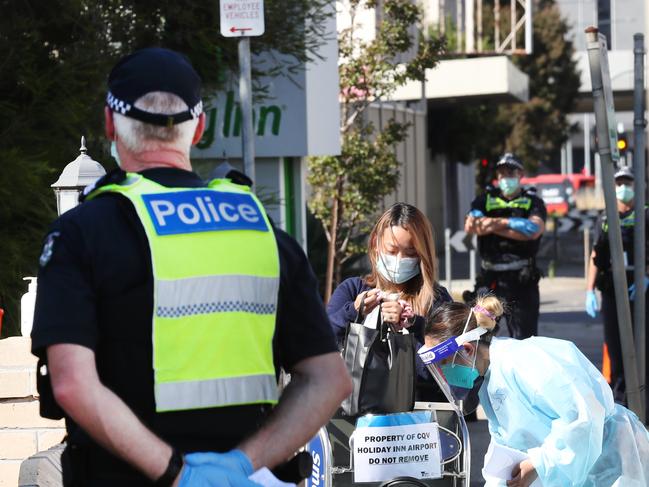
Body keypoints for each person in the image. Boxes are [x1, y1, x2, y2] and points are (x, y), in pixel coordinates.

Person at [30, 47, 352, 487]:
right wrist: (239, 465)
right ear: (199, 127)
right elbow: (328, 381)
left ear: (109, 123)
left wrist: (178, 473)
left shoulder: (79, 234)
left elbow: (71, 384)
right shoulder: (261, 232)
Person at [421, 295, 649, 487]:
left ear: (468, 350)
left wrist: (538, 463)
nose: (442, 373)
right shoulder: (490, 382)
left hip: (612, 463)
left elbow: (583, 419)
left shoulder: (524, 362)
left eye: (443, 363)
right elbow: (507, 445)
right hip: (578, 468)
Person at [327, 202, 452, 401]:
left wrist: (413, 327)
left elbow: (444, 372)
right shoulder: (352, 290)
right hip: (359, 417)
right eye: (392, 251)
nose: (400, 260)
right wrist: (354, 311)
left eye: (411, 253)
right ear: (376, 243)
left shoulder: (436, 299)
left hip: (419, 420)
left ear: (422, 255)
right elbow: (323, 342)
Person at [585, 165, 649, 405]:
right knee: (616, 350)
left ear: (637, 186)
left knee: (642, 348)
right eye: (619, 183)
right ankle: (621, 403)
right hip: (612, 287)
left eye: (628, 184)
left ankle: (643, 403)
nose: (623, 189)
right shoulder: (605, 217)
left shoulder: (645, 214)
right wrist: (589, 290)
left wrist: (646, 276)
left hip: (640, 288)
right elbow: (595, 255)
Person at [465, 153, 546, 339]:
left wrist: (492, 225)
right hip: (489, 280)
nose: (505, 178)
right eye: (501, 173)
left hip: (521, 281)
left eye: (510, 172)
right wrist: (512, 224)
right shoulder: (484, 199)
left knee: (524, 340)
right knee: (479, 336)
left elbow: (533, 230)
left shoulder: (532, 201)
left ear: (520, 174)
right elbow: (471, 225)